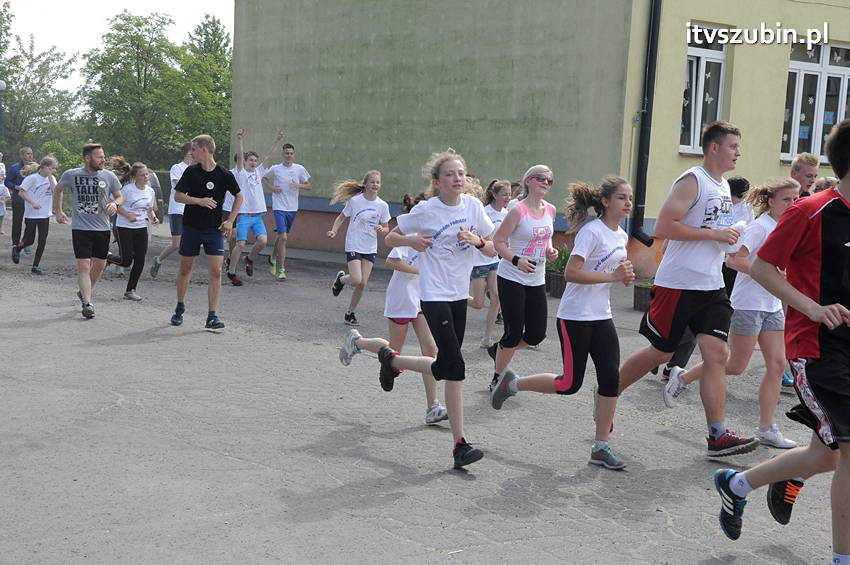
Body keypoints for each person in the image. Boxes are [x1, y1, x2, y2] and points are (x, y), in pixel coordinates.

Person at [712, 119, 850, 565]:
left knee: (826, 457)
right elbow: (761, 266)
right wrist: (812, 308)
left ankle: (737, 484)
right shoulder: (810, 210)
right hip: (818, 347)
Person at [342, 149, 496, 468]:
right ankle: (460, 444)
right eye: (450, 174)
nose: (457, 178)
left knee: (446, 366)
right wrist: (411, 242)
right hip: (433, 294)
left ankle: (391, 359)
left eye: (461, 173)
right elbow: (391, 238)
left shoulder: (473, 207)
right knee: (456, 366)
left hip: (458, 295)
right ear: (437, 182)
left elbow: (494, 247)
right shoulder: (427, 210)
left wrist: (478, 242)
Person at [617, 121, 757, 456]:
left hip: (711, 285)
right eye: (733, 146)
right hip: (678, 284)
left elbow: (718, 233)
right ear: (714, 148)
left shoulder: (724, 187)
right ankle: (609, 393)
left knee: (716, 355)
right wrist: (714, 235)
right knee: (661, 353)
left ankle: (717, 436)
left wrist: (733, 236)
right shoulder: (693, 180)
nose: (738, 153)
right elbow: (665, 226)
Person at [491, 177, 635, 469]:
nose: (628, 203)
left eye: (630, 198)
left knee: (611, 379)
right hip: (575, 317)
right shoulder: (592, 232)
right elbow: (571, 273)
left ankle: (600, 447)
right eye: (622, 198)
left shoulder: (621, 235)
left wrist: (624, 275)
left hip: (602, 315)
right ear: (606, 201)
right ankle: (512, 383)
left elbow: (611, 272)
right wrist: (612, 276)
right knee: (570, 383)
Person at [671, 178, 800, 448]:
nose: (793, 204)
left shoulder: (786, 227)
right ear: (771, 201)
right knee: (735, 366)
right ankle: (682, 377)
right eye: (787, 199)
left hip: (772, 305)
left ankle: (767, 428)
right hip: (749, 304)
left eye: (796, 199)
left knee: (777, 365)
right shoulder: (759, 227)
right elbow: (733, 259)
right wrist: (768, 275)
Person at [341, 192, 449, 425]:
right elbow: (392, 261)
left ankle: (433, 406)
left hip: (422, 298)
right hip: (401, 297)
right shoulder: (409, 235)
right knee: (393, 353)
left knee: (430, 348)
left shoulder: (439, 235)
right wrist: (421, 272)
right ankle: (357, 342)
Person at [487, 166, 558, 390]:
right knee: (514, 332)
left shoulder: (550, 209)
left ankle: (499, 349)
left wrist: (550, 249)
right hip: (512, 277)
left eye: (549, 180)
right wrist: (516, 260)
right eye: (541, 178)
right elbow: (498, 242)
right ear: (528, 181)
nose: (545, 182)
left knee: (537, 334)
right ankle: (497, 378)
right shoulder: (518, 210)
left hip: (536, 278)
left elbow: (545, 235)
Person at [170, 134, 242, 330]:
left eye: (194, 149)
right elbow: (178, 196)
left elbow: (239, 196)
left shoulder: (224, 174)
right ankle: (179, 308)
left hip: (214, 230)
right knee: (185, 268)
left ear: (204, 149)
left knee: (216, 271)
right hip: (191, 227)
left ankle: (212, 316)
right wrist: (198, 201)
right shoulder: (191, 171)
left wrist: (230, 221)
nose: (191, 153)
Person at [53, 144, 124, 319]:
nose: (103, 160)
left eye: (103, 156)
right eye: (99, 157)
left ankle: (84, 292)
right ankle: (87, 303)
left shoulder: (109, 176)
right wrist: (59, 211)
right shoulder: (72, 174)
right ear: (87, 158)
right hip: (81, 228)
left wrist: (115, 204)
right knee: (84, 266)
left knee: (99, 266)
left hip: (102, 228)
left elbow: (120, 196)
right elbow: (58, 189)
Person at [328, 170, 391, 325]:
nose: (375, 184)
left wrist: (382, 229)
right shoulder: (355, 201)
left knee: (362, 283)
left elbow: (386, 228)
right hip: (354, 244)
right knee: (356, 279)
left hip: (370, 247)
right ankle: (341, 280)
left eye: (378, 182)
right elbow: (341, 218)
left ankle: (350, 313)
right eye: (372, 182)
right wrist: (334, 230)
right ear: (365, 184)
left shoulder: (382, 205)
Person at [225, 128, 284, 286]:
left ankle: (249, 259)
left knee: (263, 241)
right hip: (244, 215)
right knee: (240, 244)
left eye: (255, 160)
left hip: (257, 216)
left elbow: (269, 157)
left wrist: (277, 140)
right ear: (245, 162)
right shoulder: (240, 173)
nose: (253, 162)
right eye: (250, 160)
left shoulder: (259, 172)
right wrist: (240, 139)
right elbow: (239, 155)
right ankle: (232, 271)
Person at [468, 179, 511, 348]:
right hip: (479, 261)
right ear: (495, 195)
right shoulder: (484, 212)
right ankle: (456, 297)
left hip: (495, 261)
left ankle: (487, 337)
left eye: (509, 194)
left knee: (497, 297)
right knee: (478, 303)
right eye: (504, 194)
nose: (508, 198)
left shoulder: (507, 214)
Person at [263, 143, 311, 279]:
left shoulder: (299, 168)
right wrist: (271, 187)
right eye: (286, 153)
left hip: (292, 208)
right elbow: (263, 177)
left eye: (291, 153)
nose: (289, 155)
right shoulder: (276, 168)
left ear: (293, 155)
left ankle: (272, 257)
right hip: (279, 206)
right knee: (284, 237)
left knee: (280, 236)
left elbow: (309, 186)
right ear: (283, 154)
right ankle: (282, 270)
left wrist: (298, 185)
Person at [114, 162, 159, 300]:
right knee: (126, 261)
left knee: (140, 260)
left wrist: (154, 218)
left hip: (141, 227)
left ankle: (130, 290)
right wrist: (128, 215)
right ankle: (107, 257)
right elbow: (116, 206)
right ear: (134, 177)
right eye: (142, 175)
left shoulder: (150, 191)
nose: (146, 177)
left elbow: (149, 209)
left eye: (147, 174)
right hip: (124, 227)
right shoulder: (127, 190)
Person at [150, 142, 194, 278]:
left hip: (191, 210)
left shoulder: (197, 169)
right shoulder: (177, 167)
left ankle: (184, 271)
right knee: (176, 244)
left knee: (191, 242)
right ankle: (158, 260)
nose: (194, 154)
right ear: (187, 153)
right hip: (177, 210)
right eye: (192, 151)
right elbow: (179, 185)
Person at [12, 156, 57, 274]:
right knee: (29, 240)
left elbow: (55, 191)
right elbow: (21, 193)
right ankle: (17, 248)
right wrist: (33, 203)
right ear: (44, 167)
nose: (54, 171)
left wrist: (50, 177)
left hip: (45, 214)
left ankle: (35, 265)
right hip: (32, 214)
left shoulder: (52, 178)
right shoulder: (32, 178)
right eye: (52, 168)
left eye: (54, 169)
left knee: (42, 240)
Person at [723, 176, 753, 294]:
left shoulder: (744, 209)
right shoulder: (736, 206)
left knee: (728, 289)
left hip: (733, 255)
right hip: (727, 256)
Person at [5, 146, 35, 253]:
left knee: (30, 224)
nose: (30, 156)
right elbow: (7, 181)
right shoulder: (15, 168)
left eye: (31, 153)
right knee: (17, 223)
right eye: (28, 153)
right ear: (21, 155)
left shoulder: (35, 168)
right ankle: (15, 244)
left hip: (31, 201)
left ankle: (25, 243)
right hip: (18, 200)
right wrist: (15, 187)